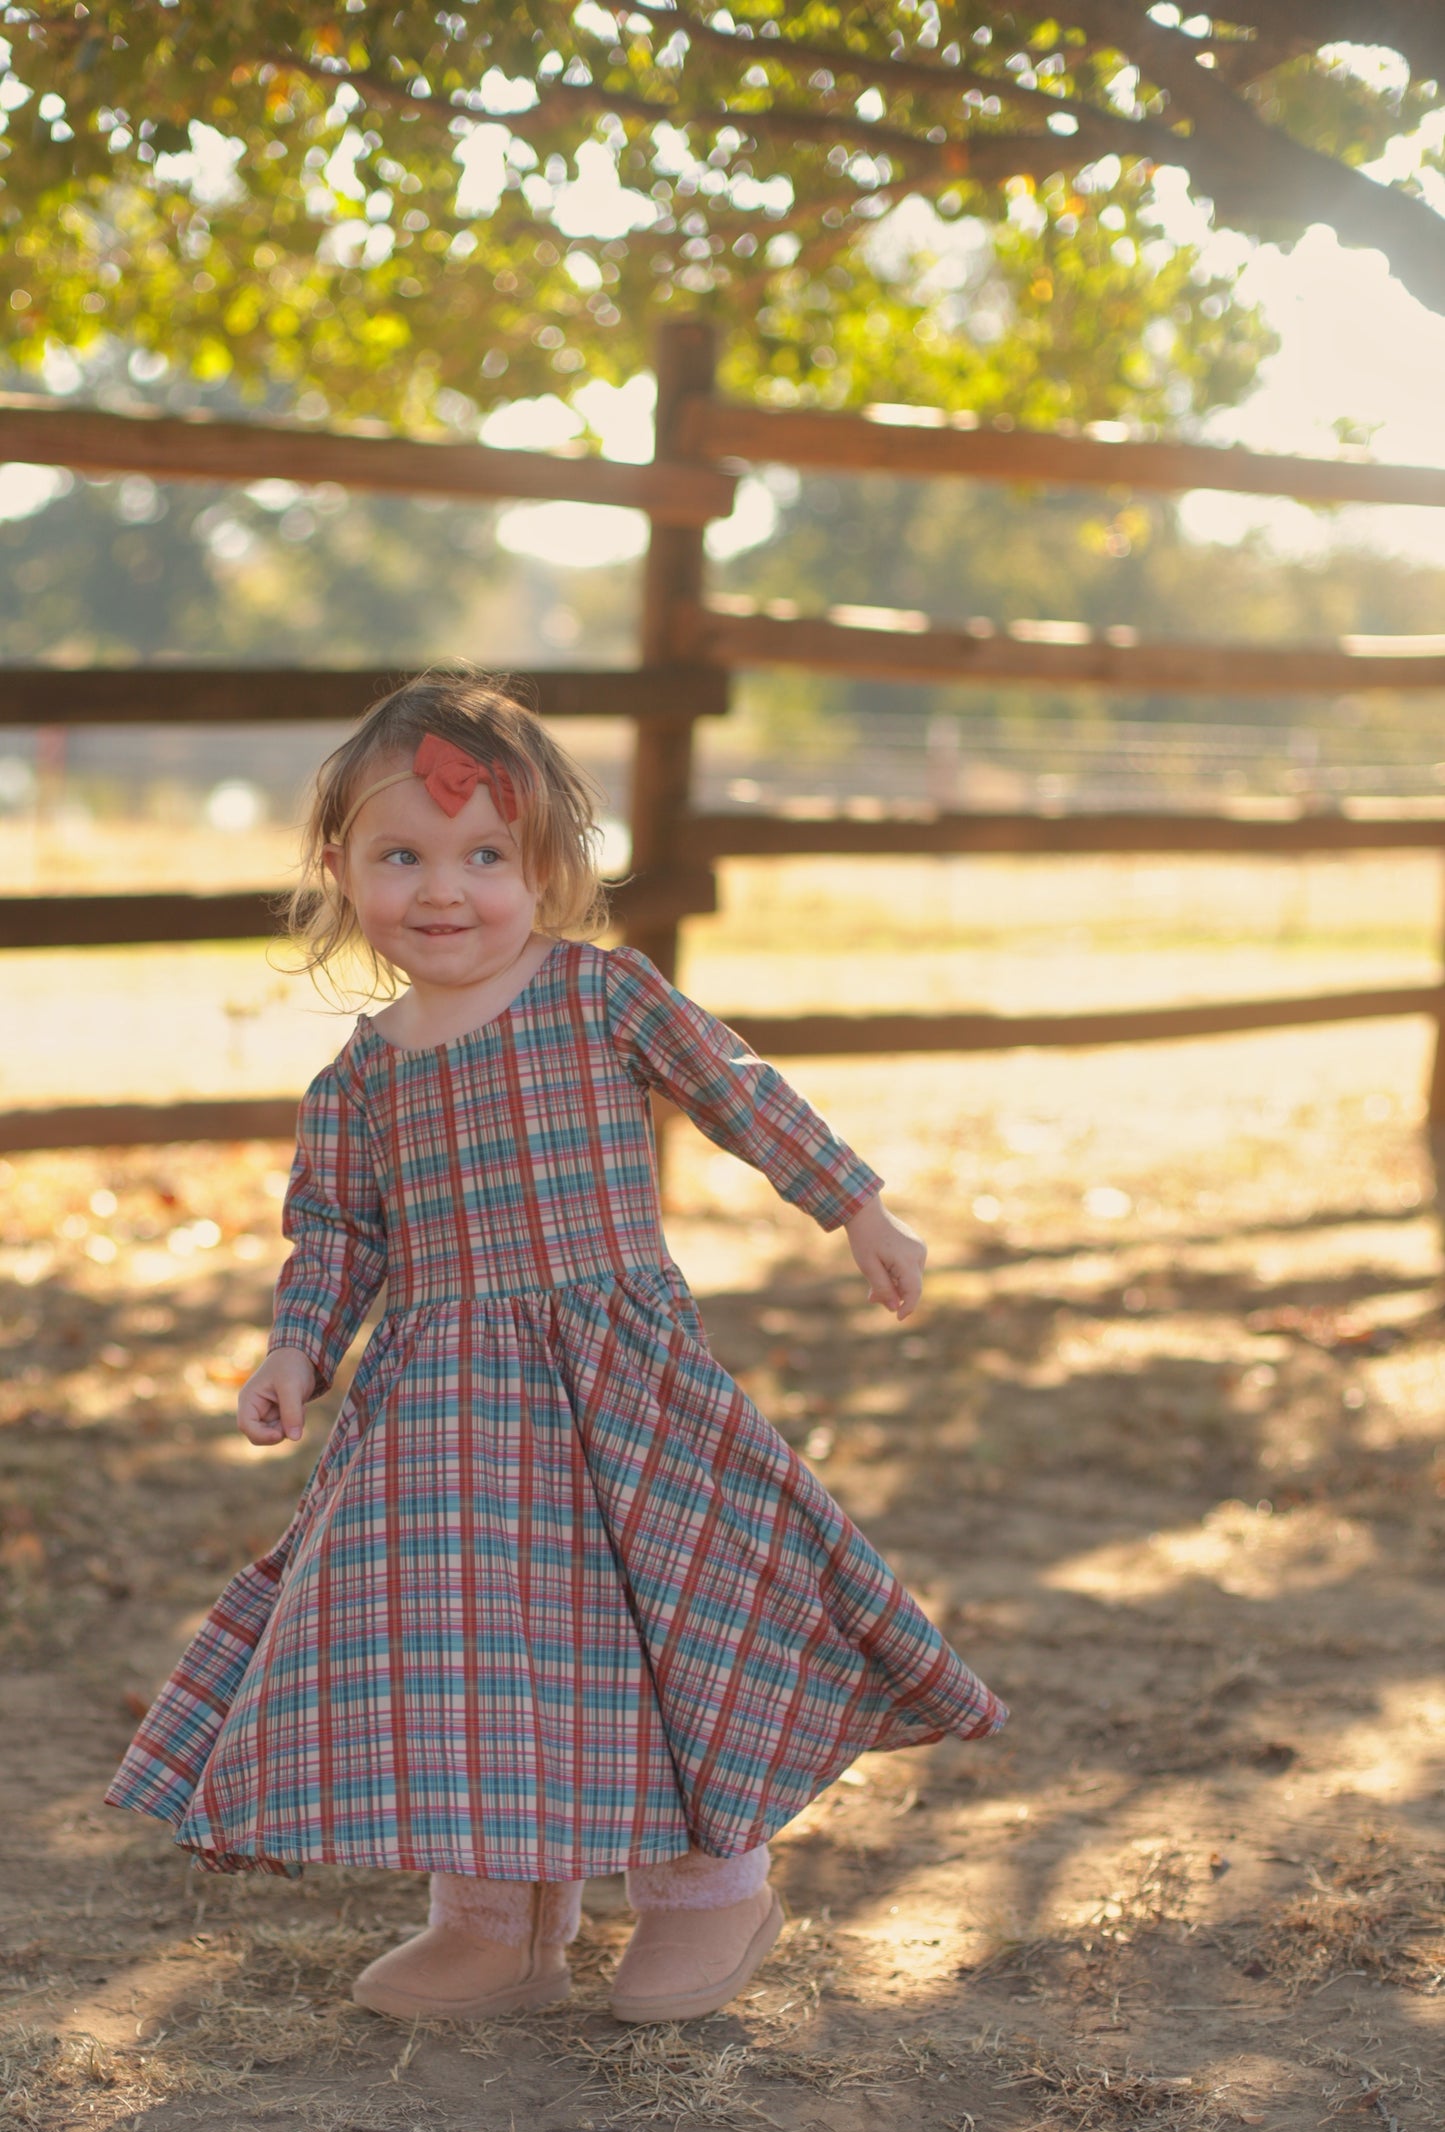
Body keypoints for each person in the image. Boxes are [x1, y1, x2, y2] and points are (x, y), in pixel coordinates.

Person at [106, 668, 1005, 2026]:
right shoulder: (361, 1076)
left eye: (485, 856)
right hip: (444, 1408)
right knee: (466, 1645)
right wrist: (298, 1352)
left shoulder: (597, 994)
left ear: (548, 872)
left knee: (659, 1623)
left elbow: (734, 1088)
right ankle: (493, 1923)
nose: (444, 888)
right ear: (339, 869)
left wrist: (855, 1208)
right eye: (402, 855)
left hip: (615, 1384)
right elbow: (337, 1237)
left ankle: (711, 1895)